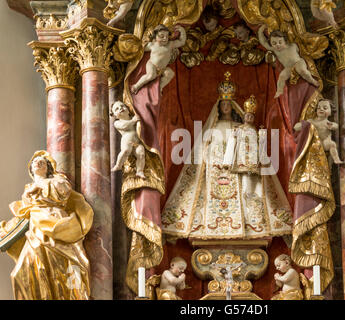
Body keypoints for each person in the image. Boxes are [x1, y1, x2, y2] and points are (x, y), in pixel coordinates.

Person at [161, 72, 293, 240]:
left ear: (233, 106)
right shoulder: (212, 128)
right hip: (216, 168)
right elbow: (204, 149)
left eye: (228, 104)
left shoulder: (241, 127)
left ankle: (250, 226)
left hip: (237, 168)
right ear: (218, 107)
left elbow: (249, 146)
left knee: (247, 192)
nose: (225, 107)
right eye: (222, 104)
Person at [0, 151, 94, 300]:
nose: (38, 162)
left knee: (61, 271)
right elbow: (22, 215)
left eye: (42, 161)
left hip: (56, 223)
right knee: (20, 273)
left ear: (48, 167)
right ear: (31, 169)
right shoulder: (28, 189)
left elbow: (64, 192)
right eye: (35, 161)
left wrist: (43, 187)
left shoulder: (57, 180)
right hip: (35, 230)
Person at [258, 25, 319, 98]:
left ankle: (312, 81)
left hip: (298, 62)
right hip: (288, 67)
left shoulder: (292, 45)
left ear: (285, 41)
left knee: (302, 71)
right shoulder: (275, 50)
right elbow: (264, 42)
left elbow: (300, 50)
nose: (277, 45)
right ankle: (279, 91)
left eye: (280, 42)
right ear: (271, 43)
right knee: (281, 77)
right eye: (274, 43)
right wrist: (260, 31)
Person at [131, 24, 186, 94]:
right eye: (161, 36)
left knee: (170, 74)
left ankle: (159, 87)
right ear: (155, 36)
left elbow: (182, 42)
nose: (165, 38)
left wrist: (182, 31)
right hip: (152, 64)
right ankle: (136, 86)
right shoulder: (152, 45)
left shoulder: (170, 44)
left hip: (163, 68)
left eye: (167, 36)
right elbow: (140, 49)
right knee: (151, 75)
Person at [110, 101, 146, 178]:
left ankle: (139, 171)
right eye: (116, 109)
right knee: (126, 151)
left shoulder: (133, 117)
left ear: (128, 109)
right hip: (127, 142)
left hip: (137, 143)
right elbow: (124, 126)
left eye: (122, 106)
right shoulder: (117, 123)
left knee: (141, 153)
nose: (120, 108)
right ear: (115, 116)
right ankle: (118, 165)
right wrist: (133, 121)